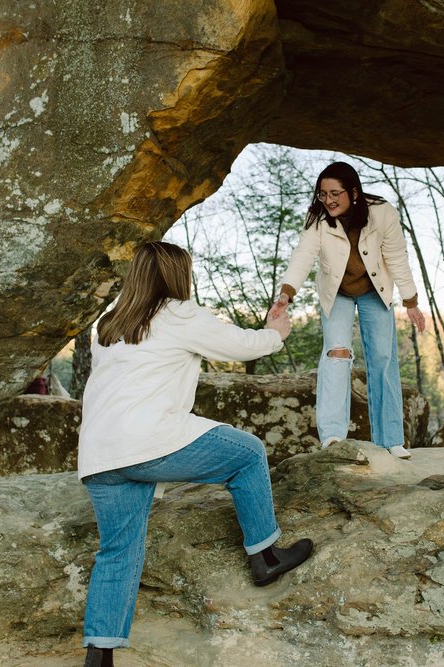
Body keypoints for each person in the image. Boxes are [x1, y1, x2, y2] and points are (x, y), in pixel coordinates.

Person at [78, 242, 313, 667]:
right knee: (247, 452)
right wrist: (275, 333)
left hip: (99, 454)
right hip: (147, 441)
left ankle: (100, 658)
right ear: (176, 275)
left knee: (118, 552)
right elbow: (242, 345)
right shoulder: (177, 313)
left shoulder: (110, 323)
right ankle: (266, 557)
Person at [270, 161, 426, 459]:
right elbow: (303, 255)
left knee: (382, 357)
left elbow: (396, 257)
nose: (327, 200)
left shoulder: (382, 213)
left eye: (334, 193)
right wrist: (286, 294)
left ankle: (390, 438)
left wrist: (411, 301)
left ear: (353, 192)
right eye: (322, 194)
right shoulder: (317, 219)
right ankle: (332, 436)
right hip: (337, 293)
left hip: (374, 292)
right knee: (336, 354)